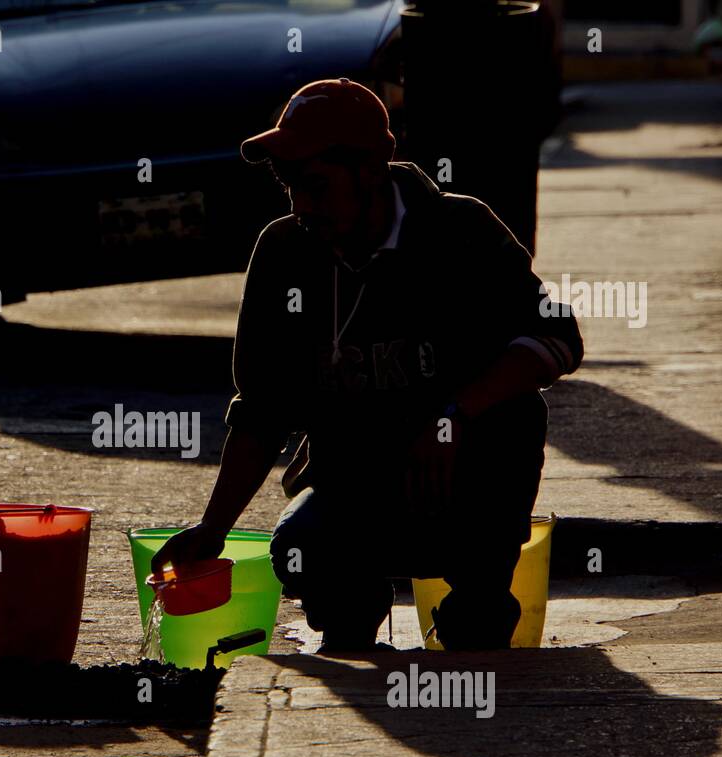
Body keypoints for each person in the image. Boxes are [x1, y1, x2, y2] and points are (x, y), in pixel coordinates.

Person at [151, 78, 584, 652]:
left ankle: (478, 609)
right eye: (289, 187)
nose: (301, 205)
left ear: (373, 172)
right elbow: (261, 409)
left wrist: (454, 416)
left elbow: (557, 336)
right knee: (300, 549)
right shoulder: (284, 253)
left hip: (467, 477)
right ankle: (353, 627)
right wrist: (213, 529)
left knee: (516, 418)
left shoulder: (460, 231)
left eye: (316, 186)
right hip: (356, 484)